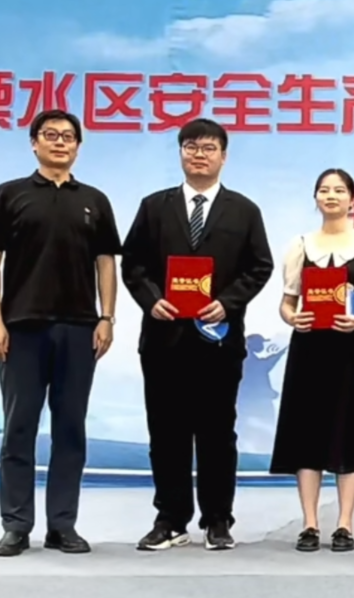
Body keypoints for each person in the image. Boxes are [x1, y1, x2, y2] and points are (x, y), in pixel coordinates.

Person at [121, 118, 274, 552]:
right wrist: (151, 299)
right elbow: (133, 264)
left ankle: (218, 519)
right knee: (165, 432)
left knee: (217, 433)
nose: (199, 154)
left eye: (208, 148)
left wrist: (227, 301)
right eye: (191, 147)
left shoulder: (244, 210)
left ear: (223, 156)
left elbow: (259, 267)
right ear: (181, 153)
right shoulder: (154, 206)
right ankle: (170, 519)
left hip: (219, 341)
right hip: (163, 339)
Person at [0, 109, 121, 557]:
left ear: (78, 146)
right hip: (21, 328)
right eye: (51, 135)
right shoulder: (10, 194)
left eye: (68, 136)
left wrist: (107, 317)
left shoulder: (94, 200)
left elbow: (105, 263)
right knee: (18, 428)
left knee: (70, 429)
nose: (60, 142)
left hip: (79, 329)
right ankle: (16, 524)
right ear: (34, 142)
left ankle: (62, 524)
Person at [270, 168, 354, 553]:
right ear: (316, 198)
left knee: (350, 432)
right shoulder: (300, 245)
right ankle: (309, 523)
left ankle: (344, 524)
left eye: (339, 190)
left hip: (351, 348)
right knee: (307, 434)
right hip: (309, 348)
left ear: (353, 199)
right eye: (324, 190)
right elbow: (287, 303)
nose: (331, 196)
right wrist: (293, 318)